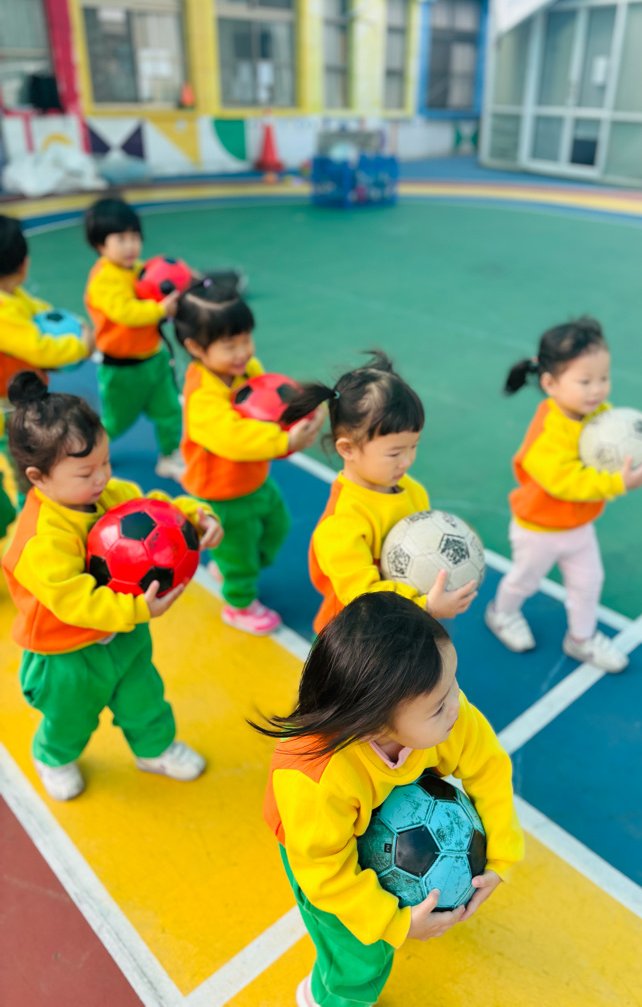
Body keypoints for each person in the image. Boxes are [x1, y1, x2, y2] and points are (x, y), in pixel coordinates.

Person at [257, 591, 524, 1007]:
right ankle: (326, 997)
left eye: (454, 683)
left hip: (375, 804)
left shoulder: (444, 714)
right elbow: (325, 874)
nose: (456, 706)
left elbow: (488, 766)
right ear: (372, 726)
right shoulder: (316, 779)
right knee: (359, 954)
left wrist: (500, 858)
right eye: (438, 706)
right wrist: (394, 923)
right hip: (317, 846)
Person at [1, 371, 223, 801]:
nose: (101, 477)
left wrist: (195, 517)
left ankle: (154, 750)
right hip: (67, 655)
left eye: (105, 462)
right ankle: (52, 757)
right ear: (38, 477)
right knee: (70, 719)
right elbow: (74, 601)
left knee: (145, 698)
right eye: (86, 472)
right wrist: (139, 610)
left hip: (122, 636)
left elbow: (155, 510)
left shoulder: (106, 494)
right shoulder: (39, 541)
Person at [485, 316, 642, 672]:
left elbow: (632, 441)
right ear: (550, 383)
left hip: (579, 527)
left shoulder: (601, 416)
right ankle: (502, 613)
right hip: (538, 529)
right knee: (525, 581)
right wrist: (619, 484)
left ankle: (581, 639)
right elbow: (566, 482)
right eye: (585, 381)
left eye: (604, 378)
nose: (597, 390)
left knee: (588, 583)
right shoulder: (547, 433)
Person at [281, 352, 477, 634]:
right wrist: (427, 608)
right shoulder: (341, 524)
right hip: (354, 637)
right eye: (395, 453)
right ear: (347, 448)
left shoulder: (411, 489)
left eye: (413, 446)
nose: (407, 461)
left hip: (404, 621)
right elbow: (363, 598)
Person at [174, 278, 323, 635]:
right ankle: (238, 603)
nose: (243, 352)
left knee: (277, 525)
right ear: (195, 347)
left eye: (246, 339)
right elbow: (234, 437)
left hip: (254, 479)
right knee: (240, 553)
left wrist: (300, 412)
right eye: (230, 345)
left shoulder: (244, 369)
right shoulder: (203, 398)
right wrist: (284, 441)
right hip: (222, 493)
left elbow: (269, 400)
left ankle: (229, 563)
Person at [83, 197, 184, 482]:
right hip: (122, 370)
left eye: (135, 237)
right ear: (100, 245)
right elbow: (126, 312)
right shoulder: (104, 280)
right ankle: (88, 457)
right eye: (121, 239)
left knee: (170, 411)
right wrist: (160, 310)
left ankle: (169, 456)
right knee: (115, 423)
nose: (130, 246)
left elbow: (154, 288)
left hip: (154, 358)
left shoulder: (141, 270)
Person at [0, 214, 92, 414]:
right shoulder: (2, 312)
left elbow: (34, 307)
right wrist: (80, 347)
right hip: (7, 398)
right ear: (24, 264)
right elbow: (39, 349)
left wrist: (72, 321)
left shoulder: (10, 295)